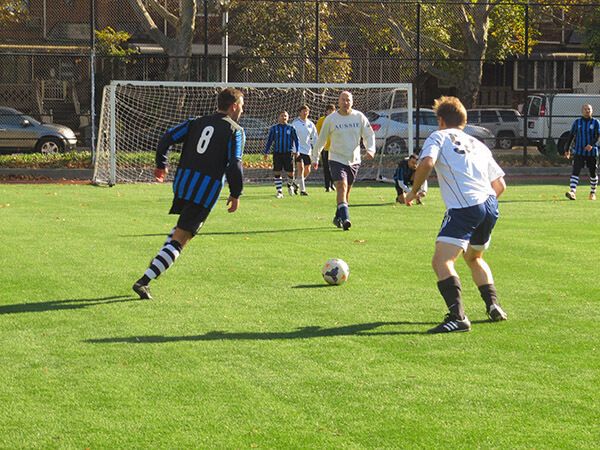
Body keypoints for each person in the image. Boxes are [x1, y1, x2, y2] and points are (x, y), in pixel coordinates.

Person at [405, 96, 508, 333]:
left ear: (440, 120)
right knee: (474, 258)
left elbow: (427, 162)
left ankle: (458, 316)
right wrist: (482, 207)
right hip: (490, 204)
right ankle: (493, 305)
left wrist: (413, 192)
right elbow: (500, 185)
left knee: (442, 261)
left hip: (466, 208)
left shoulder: (437, 136)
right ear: (463, 120)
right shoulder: (478, 144)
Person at [132, 88, 245, 300]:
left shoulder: (196, 121)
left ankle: (156, 263)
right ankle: (144, 280)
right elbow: (235, 164)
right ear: (234, 106)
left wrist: (161, 164)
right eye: (242, 106)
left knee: (181, 230)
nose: (242, 110)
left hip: (183, 185)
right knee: (182, 238)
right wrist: (236, 193)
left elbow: (167, 137)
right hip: (204, 191)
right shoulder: (235, 130)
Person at [312, 91, 375, 230]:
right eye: (343, 100)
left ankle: (337, 216)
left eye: (348, 100)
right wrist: (315, 157)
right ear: (338, 102)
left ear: (352, 102)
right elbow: (321, 139)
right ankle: (346, 218)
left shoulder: (359, 117)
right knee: (341, 185)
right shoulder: (331, 119)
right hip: (336, 158)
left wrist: (371, 149)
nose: (346, 102)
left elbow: (369, 135)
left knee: (346, 192)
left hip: (354, 159)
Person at [564, 104, 600, 201]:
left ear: (592, 111)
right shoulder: (577, 122)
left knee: (593, 173)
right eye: (585, 109)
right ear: (582, 111)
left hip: (592, 153)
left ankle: (592, 193)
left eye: (589, 109)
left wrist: (591, 144)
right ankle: (572, 192)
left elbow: (597, 135)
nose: (587, 110)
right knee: (575, 171)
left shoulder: (596, 122)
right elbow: (571, 135)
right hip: (579, 151)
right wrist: (567, 149)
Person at [264, 111, 300, 198]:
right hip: (277, 153)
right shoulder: (274, 128)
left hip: (288, 153)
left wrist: (297, 150)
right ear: (278, 117)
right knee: (277, 172)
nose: (284, 117)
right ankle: (279, 191)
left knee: (291, 173)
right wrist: (266, 151)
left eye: (285, 116)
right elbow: (269, 141)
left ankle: (289, 185)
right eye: (282, 116)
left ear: (288, 118)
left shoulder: (291, 128)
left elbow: (296, 140)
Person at [291, 105, 318, 196]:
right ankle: (303, 190)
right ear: (300, 112)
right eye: (304, 111)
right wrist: (294, 149)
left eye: (307, 111)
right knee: (301, 169)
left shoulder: (311, 124)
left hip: (307, 150)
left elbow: (314, 138)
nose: (306, 113)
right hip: (297, 150)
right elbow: (291, 137)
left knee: (307, 169)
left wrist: (316, 149)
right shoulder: (295, 123)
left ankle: (295, 183)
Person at [315, 104, 336, 192]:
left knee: (334, 167)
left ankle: (333, 183)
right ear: (326, 111)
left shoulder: (337, 120)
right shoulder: (321, 120)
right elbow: (317, 133)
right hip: (325, 148)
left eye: (332, 110)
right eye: (329, 110)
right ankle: (327, 186)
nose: (330, 112)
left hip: (335, 148)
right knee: (326, 167)